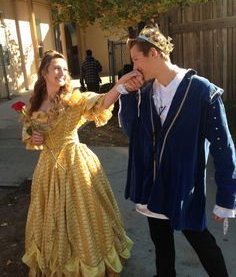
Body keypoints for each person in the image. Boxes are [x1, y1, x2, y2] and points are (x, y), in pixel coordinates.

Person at [118, 25, 236, 277]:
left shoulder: (202, 91)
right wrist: (127, 95)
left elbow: (223, 147)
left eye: (136, 59)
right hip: (153, 184)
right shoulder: (146, 92)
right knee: (161, 244)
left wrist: (226, 198)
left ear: (154, 54)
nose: (134, 67)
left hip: (183, 186)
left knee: (200, 241)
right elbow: (132, 133)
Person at [20, 50, 141, 276]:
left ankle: (89, 260)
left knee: (83, 214)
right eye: (57, 68)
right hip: (48, 167)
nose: (62, 73)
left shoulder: (73, 100)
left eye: (65, 69)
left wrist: (120, 86)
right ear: (44, 72)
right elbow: (29, 134)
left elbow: (100, 102)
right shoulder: (35, 104)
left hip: (75, 164)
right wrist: (35, 138)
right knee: (52, 216)